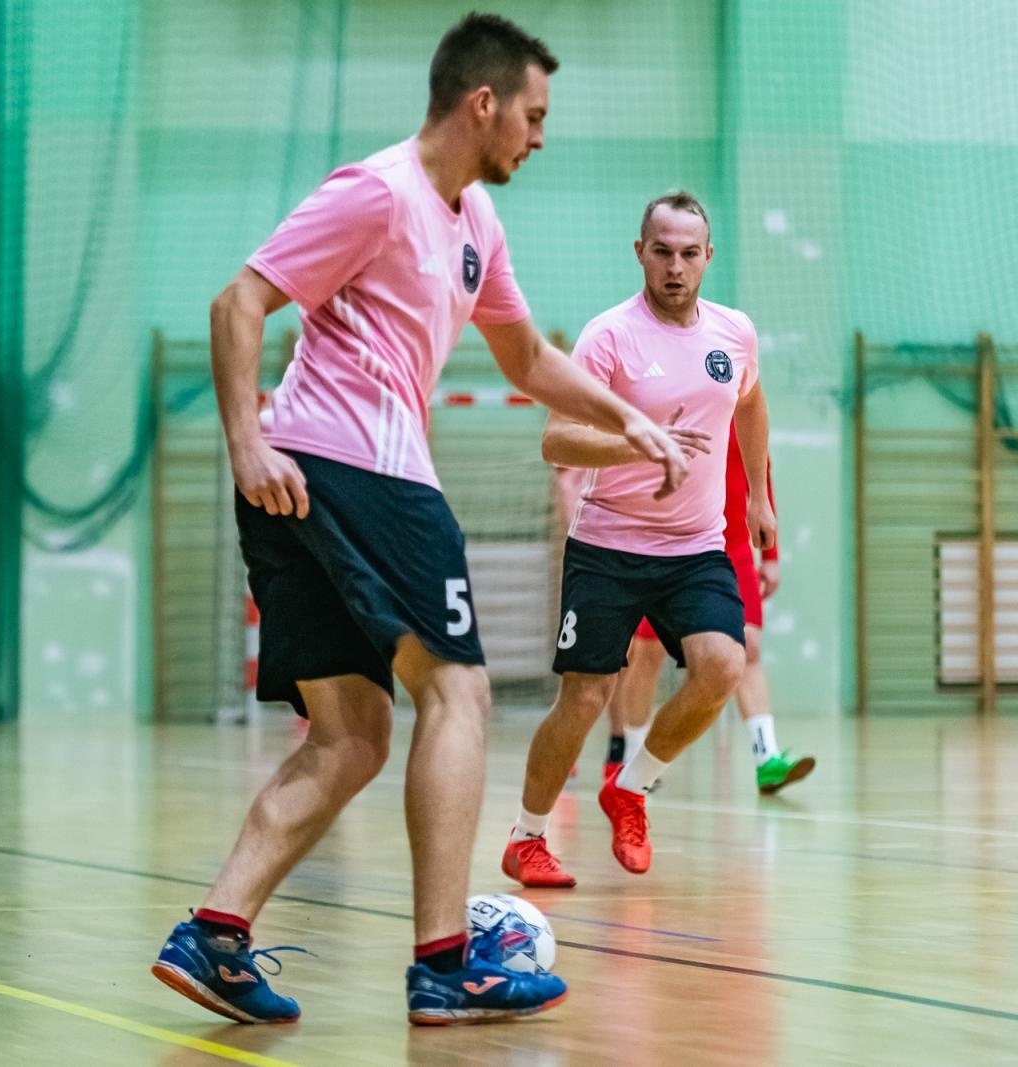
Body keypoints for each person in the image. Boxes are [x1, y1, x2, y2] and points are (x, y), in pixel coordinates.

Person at [150, 14, 688, 1026]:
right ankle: (445, 962)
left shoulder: (475, 221)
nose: (540, 136)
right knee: (460, 692)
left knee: (351, 737)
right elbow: (237, 304)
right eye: (533, 115)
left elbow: (528, 360)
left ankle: (215, 931)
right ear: (483, 103)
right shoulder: (378, 191)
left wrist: (630, 420)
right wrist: (245, 443)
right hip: (359, 470)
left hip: (316, 485)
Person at [501, 190, 773, 889]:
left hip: (695, 546)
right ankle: (527, 837)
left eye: (689, 253)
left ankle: (631, 787)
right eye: (662, 252)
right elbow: (557, 439)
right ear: (640, 253)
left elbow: (750, 403)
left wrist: (759, 498)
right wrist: (640, 443)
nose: (675, 267)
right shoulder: (609, 337)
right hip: (609, 545)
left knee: (723, 665)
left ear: (708, 256)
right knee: (585, 698)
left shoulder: (734, 333)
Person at [602, 425, 815, 795]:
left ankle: (766, 757)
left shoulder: (743, 408)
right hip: (667, 548)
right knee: (648, 653)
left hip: (732, 549)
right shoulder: (669, 406)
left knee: (748, 647)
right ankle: (633, 757)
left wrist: (770, 555)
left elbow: (760, 478)